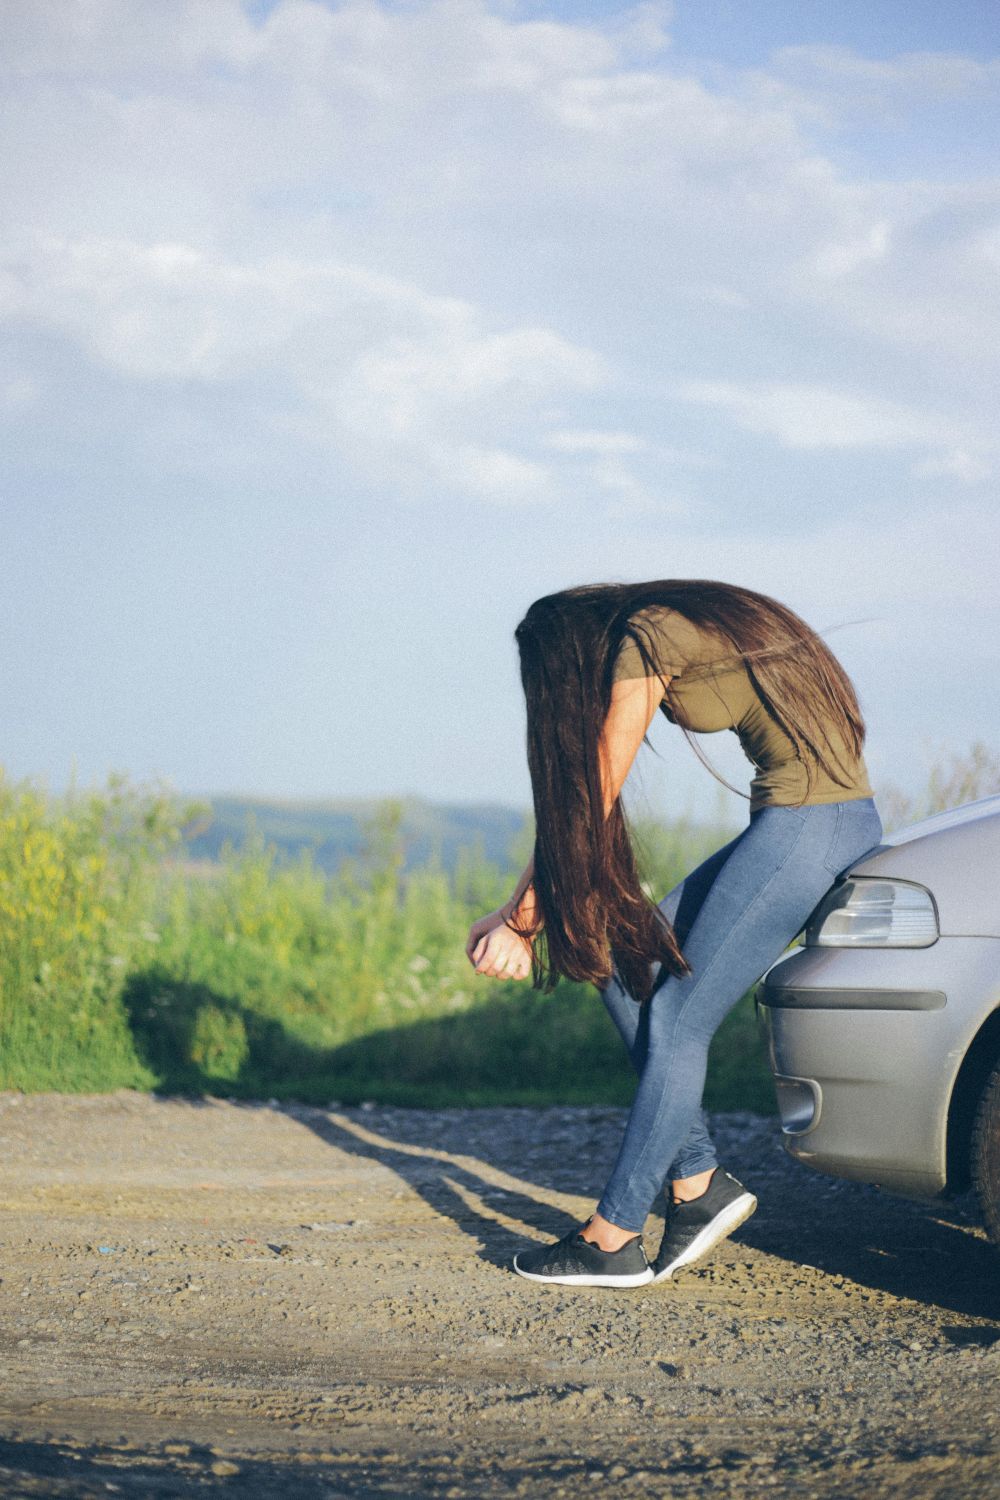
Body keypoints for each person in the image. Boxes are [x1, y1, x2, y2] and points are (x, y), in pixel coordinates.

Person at [465, 580, 883, 1289]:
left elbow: (592, 791)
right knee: (626, 966)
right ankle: (697, 1183)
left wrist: (523, 920)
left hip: (809, 829)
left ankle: (613, 1238)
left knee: (679, 1022)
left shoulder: (647, 637)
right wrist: (516, 907)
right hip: (810, 823)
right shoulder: (682, 619)